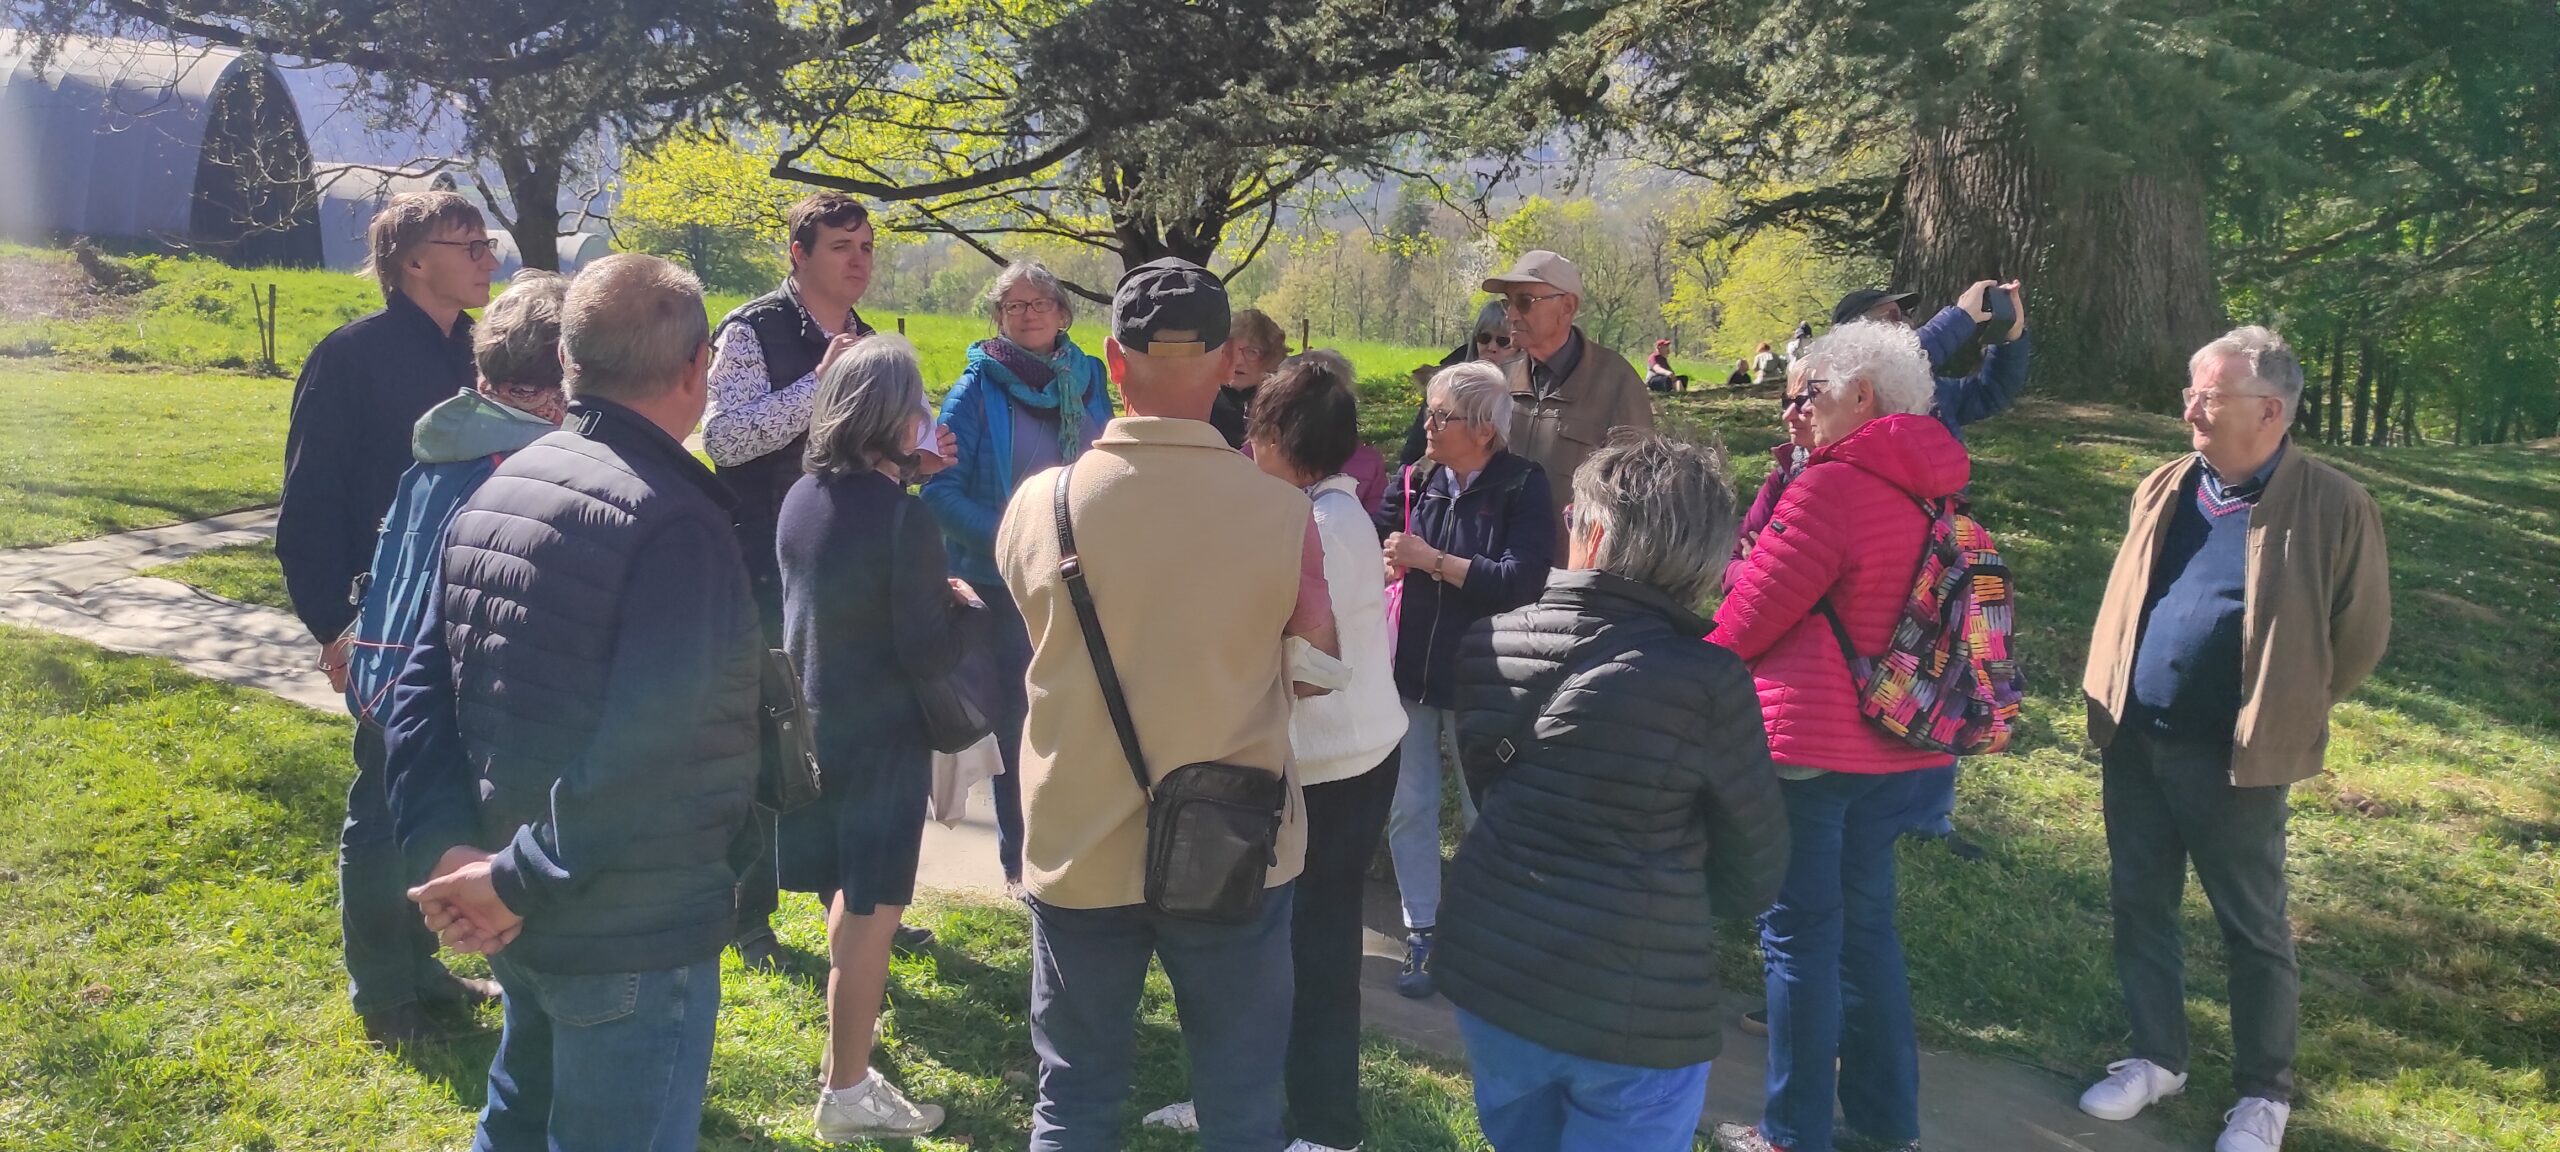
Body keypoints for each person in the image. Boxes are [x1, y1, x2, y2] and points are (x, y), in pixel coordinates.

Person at [390, 254, 763, 1152]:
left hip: (521, 901)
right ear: (694, 368)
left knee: (515, 1122)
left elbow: (414, 696)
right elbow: (653, 757)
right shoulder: (675, 521)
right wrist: (492, 876)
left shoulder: (499, 482)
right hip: (620, 923)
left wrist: (468, 863)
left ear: (570, 361)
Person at [994, 257, 1340, 1152]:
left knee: (1072, 1100)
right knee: (1241, 1102)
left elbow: (1035, 626)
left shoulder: (1043, 503)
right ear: (1230, 361)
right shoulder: (1280, 514)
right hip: (1232, 844)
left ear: (1114, 360)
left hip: (1078, 839)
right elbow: (1316, 669)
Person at [2075, 328, 2390, 1152]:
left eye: (2207, 397)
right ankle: (2156, 1057)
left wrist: (2285, 702)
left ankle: (2264, 1095)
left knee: (2252, 925)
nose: (2189, 409)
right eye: (2192, 393)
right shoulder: (2167, 485)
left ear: (2270, 410)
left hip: (2235, 757)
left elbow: (2358, 637)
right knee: (2140, 903)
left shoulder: (2333, 503)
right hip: (2136, 738)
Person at [1438, 430, 1789, 1151]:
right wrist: (1670, 896)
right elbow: (1755, 864)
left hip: (1497, 966)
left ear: (1592, 530)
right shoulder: (1711, 683)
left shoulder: (1489, 641)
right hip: (1635, 1002)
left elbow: (1498, 787)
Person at [1706, 322, 1971, 1152]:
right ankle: (1889, 1124)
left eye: (1811, 392)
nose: (1801, 408)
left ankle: (1791, 1132)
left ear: (1863, 396)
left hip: (1814, 746)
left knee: (1798, 940)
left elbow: (1751, 618)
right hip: (1898, 741)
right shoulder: (1930, 486)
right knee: (1866, 932)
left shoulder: (1831, 487)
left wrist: (1691, 665)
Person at [1143, 351, 1407, 1152]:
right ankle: (1250, 1101)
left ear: (1280, 437)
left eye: (1254, 430)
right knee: (1298, 943)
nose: (1245, 447)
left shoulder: (1302, 523)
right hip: (1360, 755)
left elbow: (1283, 655)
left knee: (1299, 948)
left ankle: (1320, 1127)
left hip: (1322, 769)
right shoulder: (1344, 509)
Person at [275, 189, 500, 1047]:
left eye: (487, 242)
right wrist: (335, 626)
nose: (486, 255)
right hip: (383, 627)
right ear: (412, 261)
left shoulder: (475, 357)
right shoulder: (352, 357)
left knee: (433, 800)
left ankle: (421, 966)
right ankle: (384, 997)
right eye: (468, 243)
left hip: (463, 622)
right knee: (380, 811)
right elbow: (308, 509)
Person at [779, 335, 984, 1141]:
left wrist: (913, 481)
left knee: (849, 903)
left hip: (819, 726)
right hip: (883, 739)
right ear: (895, 416)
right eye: (918, 402)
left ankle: (844, 1066)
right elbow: (927, 648)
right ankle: (848, 1092)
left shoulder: (803, 497)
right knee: (874, 916)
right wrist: (963, 607)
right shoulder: (904, 523)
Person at [701, 191, 879, 967]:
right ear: (798, 254)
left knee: (844, 730)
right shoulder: (751, 331)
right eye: (842, 245)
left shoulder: (870, 339)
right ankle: (749, 916)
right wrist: (822, 384)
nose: (860, 260)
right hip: (762, 565)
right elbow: (726, 440)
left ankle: (853, 898)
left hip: (846, 564)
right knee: (763, 735)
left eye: (868, 246)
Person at [920, 260, 1114, 894]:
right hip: (1004, 586)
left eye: (1040, 303)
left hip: (1081, 579)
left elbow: (1109, 460)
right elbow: (939, 493)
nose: (1028, 314)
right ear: (998, 319)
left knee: (1080, 714)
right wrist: (1016, 541)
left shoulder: (1088, 380)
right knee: (1016, 720)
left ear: (1062, 314)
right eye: (1014, 306)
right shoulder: (974, 389)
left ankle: (1075, 846)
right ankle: (1019, 862)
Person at [1831, 281, 2034, 859]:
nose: (1899, 327)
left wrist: (2009, 335)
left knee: (1945, 666)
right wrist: (1959, 318)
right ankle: (1867, 794)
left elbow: (1993, 391)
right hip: (1882, 542)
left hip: (1941, 547)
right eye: (1885, 318)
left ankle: (1927, 815)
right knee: (1882, 668)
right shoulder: (1852, 390)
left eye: (1904, 318)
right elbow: (1895, 362)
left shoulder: (1931, 391)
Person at [1377, 361, 1555, 1001]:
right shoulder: (1419, 477)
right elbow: (1382, 541)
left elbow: (1521, 581)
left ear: (1483, 429)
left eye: (1440, 415)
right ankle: (1420, 929)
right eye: (1429, 412)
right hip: (1410, 672)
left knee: (1487, 811)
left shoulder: (1522, 485)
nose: (1427, 424)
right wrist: (1390, 562)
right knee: (1410, 806)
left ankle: (1486, 934)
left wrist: (1435, 562)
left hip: (1485, 676)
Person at [1482, 250, 1654, 537]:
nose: (1511, 315)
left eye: (1524, 302)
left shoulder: (1617, 383)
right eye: (1507, 302)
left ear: (1567, 307)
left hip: (1572, 569)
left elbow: (1639, 493)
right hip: (1499, 564)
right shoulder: (1500, 378)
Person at [1399, 301, 1519, 467]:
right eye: (1484, 338)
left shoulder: (1525, 392)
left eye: (1503, 341)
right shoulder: (1447, 384)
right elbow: (1415, 448)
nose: (1491, 347)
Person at [1209, 307, 1288, 448]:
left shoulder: (1280, 407)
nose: (1237, 360)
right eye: (1229, 350)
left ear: (1272, 357)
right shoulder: (1204, 401)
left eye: (1251, 352)